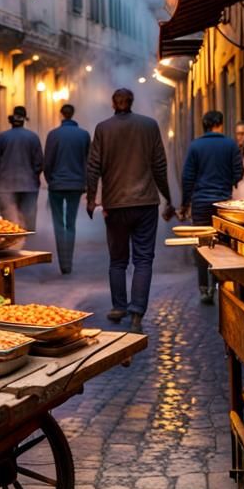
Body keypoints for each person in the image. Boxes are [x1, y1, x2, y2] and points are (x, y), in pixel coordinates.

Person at [86, 88, 175, 334]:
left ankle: (118, 307)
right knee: (143, 259)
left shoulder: (103, 129)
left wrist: (92, 199)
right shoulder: (149, 126)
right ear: (131, 102)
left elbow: (93, 166)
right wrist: (167, 197)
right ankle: (137, 312)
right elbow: (159, 165)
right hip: (146, 203)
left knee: (117, 260)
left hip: (115, 205)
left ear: (113, 103)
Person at [179, 110, 244, 305]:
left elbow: (187, 177)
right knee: (223, 244)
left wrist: (185, 203)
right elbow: (239, 171)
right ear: (220, 124)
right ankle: (220, 284)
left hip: (200, 203)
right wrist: (230, 183)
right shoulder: (230, 144)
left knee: (202, 244)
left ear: (204, 125)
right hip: (223, 203)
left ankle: (204, 289)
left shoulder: (195, 146)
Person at [43, 104, 91, 275]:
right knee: (70, 224)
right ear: (73, 114)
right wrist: (86, 183)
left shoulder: (53, 135)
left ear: (61, 114)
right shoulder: (84, 135)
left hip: (56, 185)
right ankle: (68, 263)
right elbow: (88, 161)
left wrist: (50, 181)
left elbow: (47, 163)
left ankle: (63, 264)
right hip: (76, 185)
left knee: (58, 224)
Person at [0, 106, 43, 231]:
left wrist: (5, 168)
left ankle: (10, 241)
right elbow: (39, 162)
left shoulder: (3, 137)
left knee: (9, 219)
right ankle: (28, 243)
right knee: (27, 217)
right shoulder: (33, 137)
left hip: (6, 185)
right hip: (29, 185)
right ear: (24, 120)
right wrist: (33, 174)